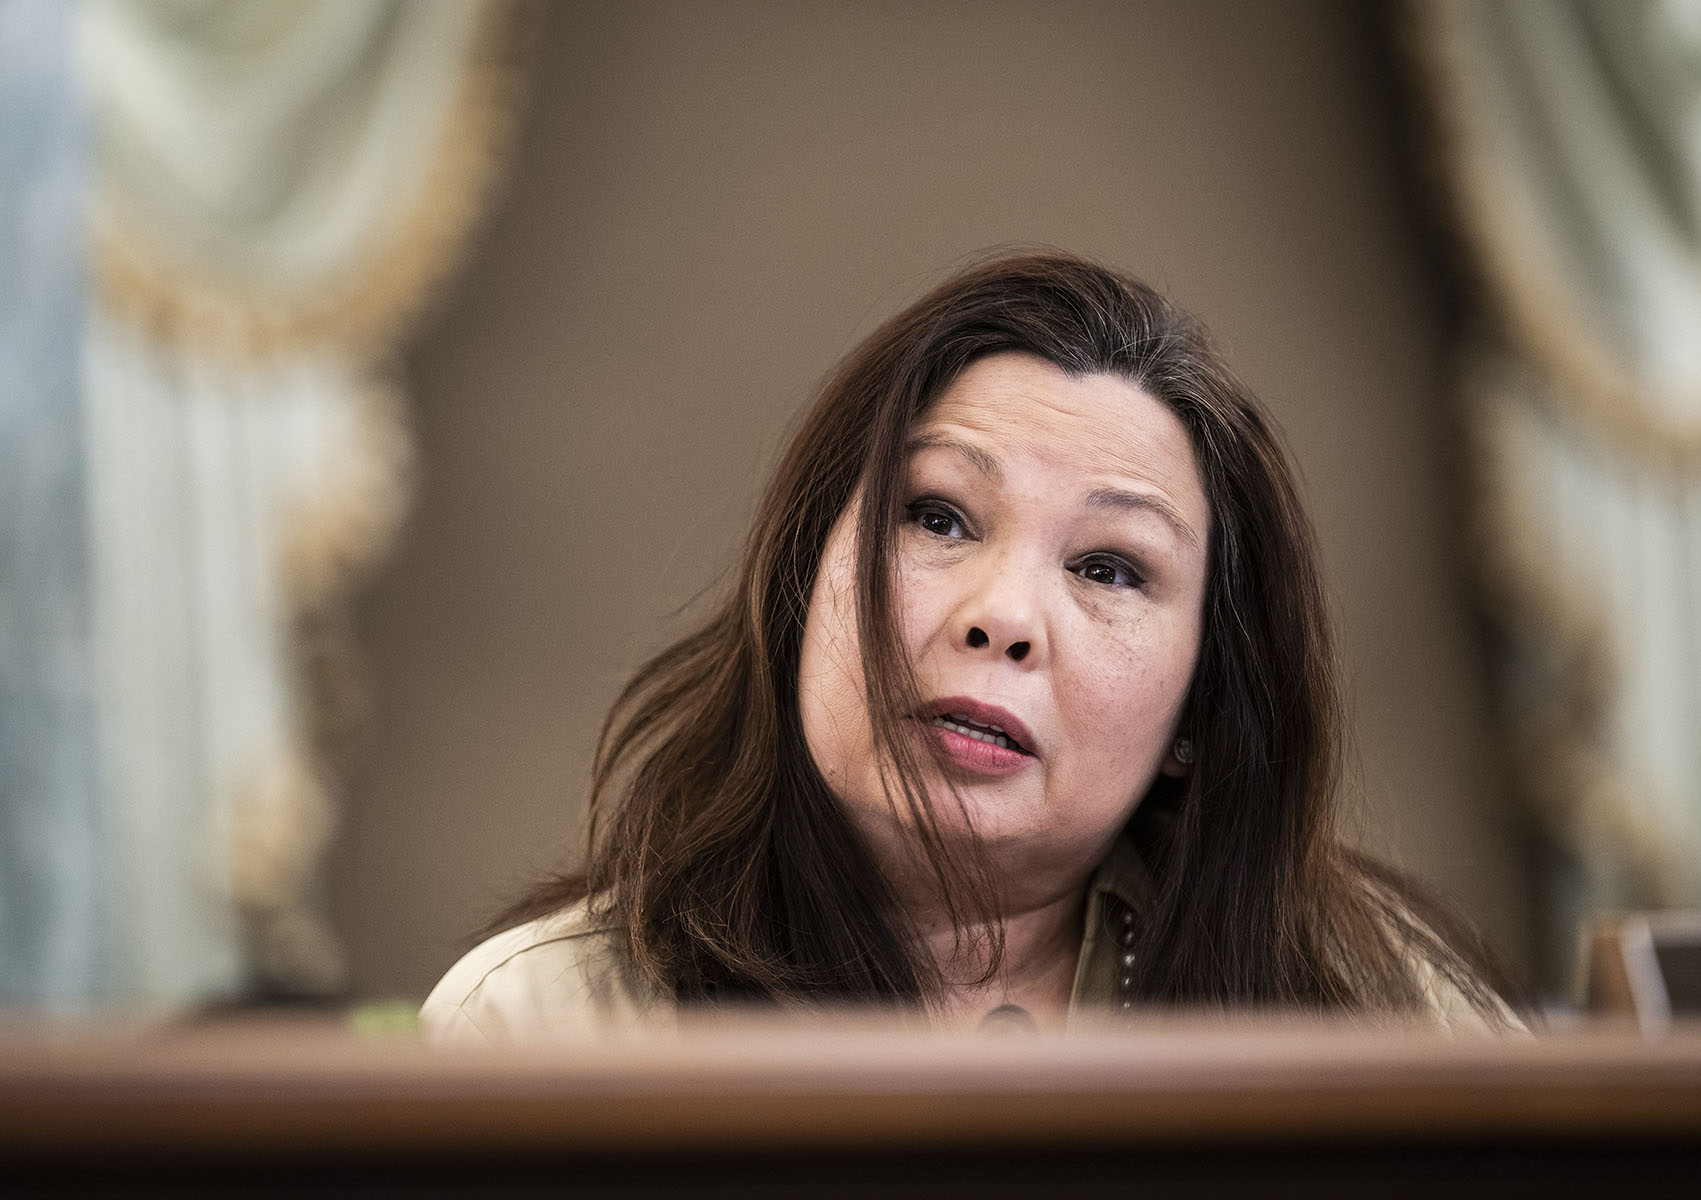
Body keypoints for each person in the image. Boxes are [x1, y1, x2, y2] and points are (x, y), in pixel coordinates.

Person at [421, 252, 1527, 1044]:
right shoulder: (535, 1028)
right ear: (806, 581)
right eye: (940, 517)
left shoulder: (1383, 1016)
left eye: (1109, 569)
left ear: (1198, 713)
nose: (1003, 618)